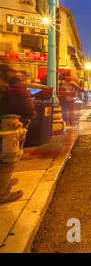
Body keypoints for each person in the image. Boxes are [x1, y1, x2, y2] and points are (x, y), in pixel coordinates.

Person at [0, 72, 36, 205]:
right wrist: (32, 113)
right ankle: (3, 192)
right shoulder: (19, 90)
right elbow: (28, 108)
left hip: (7, 127)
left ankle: (5, 182)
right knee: (10, 159)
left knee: (5, 158)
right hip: (14, 128)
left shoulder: (7, 90)